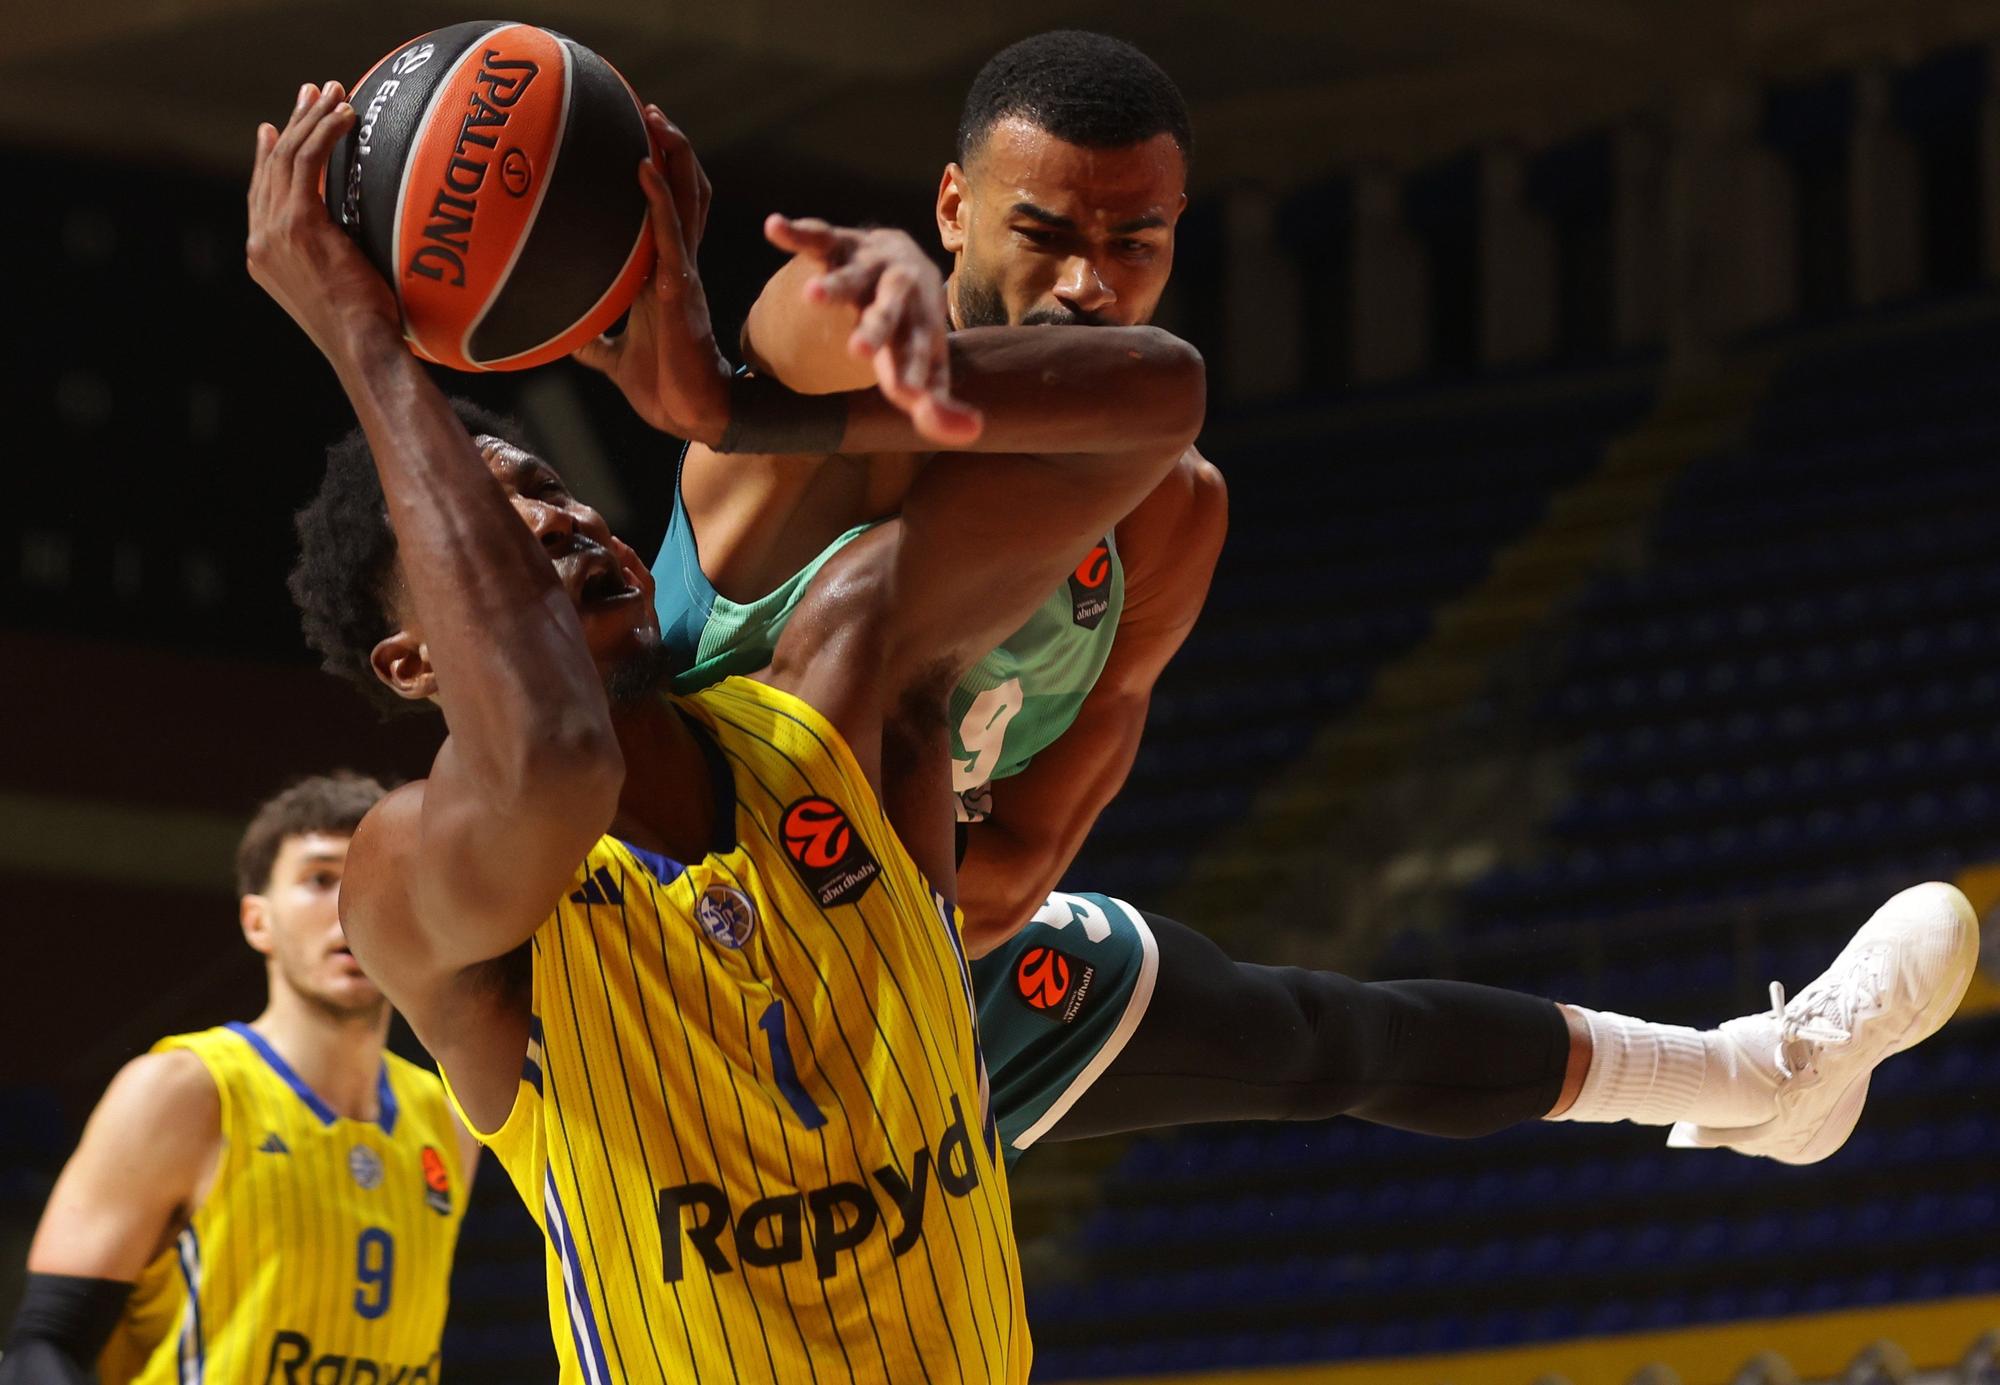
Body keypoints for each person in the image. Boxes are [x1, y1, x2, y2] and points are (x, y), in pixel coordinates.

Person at [579, 29, 1983, 1170]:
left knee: (1317, 1037)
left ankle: (1768, 1076)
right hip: (681, 970)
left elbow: (1028, 855)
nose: (1085, 278)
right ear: (950, 210)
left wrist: (893, 915)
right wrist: (848, 298)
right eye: (1042, 229)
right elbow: (786, 341)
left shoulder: (1172, 511)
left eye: (1135, 242)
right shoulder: (832, 412)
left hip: (919, 951)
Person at [248, 78, 1206, 1382]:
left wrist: (740, 404)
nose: (561, 518)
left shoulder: (827, 696)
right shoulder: (411, 875)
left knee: (1336, 1041)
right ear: (416, 658)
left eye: (549, 485)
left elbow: (1158, 402)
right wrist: (366, 344)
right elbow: (553, 756)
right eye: (495, 521)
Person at [1, 773, 474, 1385]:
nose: (350, 906)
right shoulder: (181, 1090)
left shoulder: (449, 1116)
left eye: (384, 878)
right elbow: (43, 1348)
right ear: (257, 922)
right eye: (320, 879)